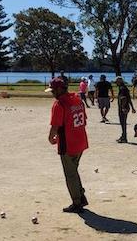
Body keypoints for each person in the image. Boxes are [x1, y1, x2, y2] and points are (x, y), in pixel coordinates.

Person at [46, 77, 89, 213]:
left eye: (53, 90)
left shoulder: (59, 104)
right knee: (73, 171)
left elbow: (55, 125)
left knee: (70, 174)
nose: (52, 93)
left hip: (68, 143)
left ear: (59, 89)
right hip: (81, 140)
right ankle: (81, 196)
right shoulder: (77, 99)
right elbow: (84, 119)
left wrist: (50, 137)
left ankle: (77, 202)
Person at [116, 76, 136, 143]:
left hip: (123, 108)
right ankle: (123, 136)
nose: (116, 82)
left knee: (123, 123)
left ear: (120, 81)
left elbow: (124, 98)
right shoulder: (124, 88)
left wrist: (123, 107)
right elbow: (129, 98)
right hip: (126, 107)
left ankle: (124, 138)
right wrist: (132, 107)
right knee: (123, 123)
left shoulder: (122, 88)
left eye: (117, 81)